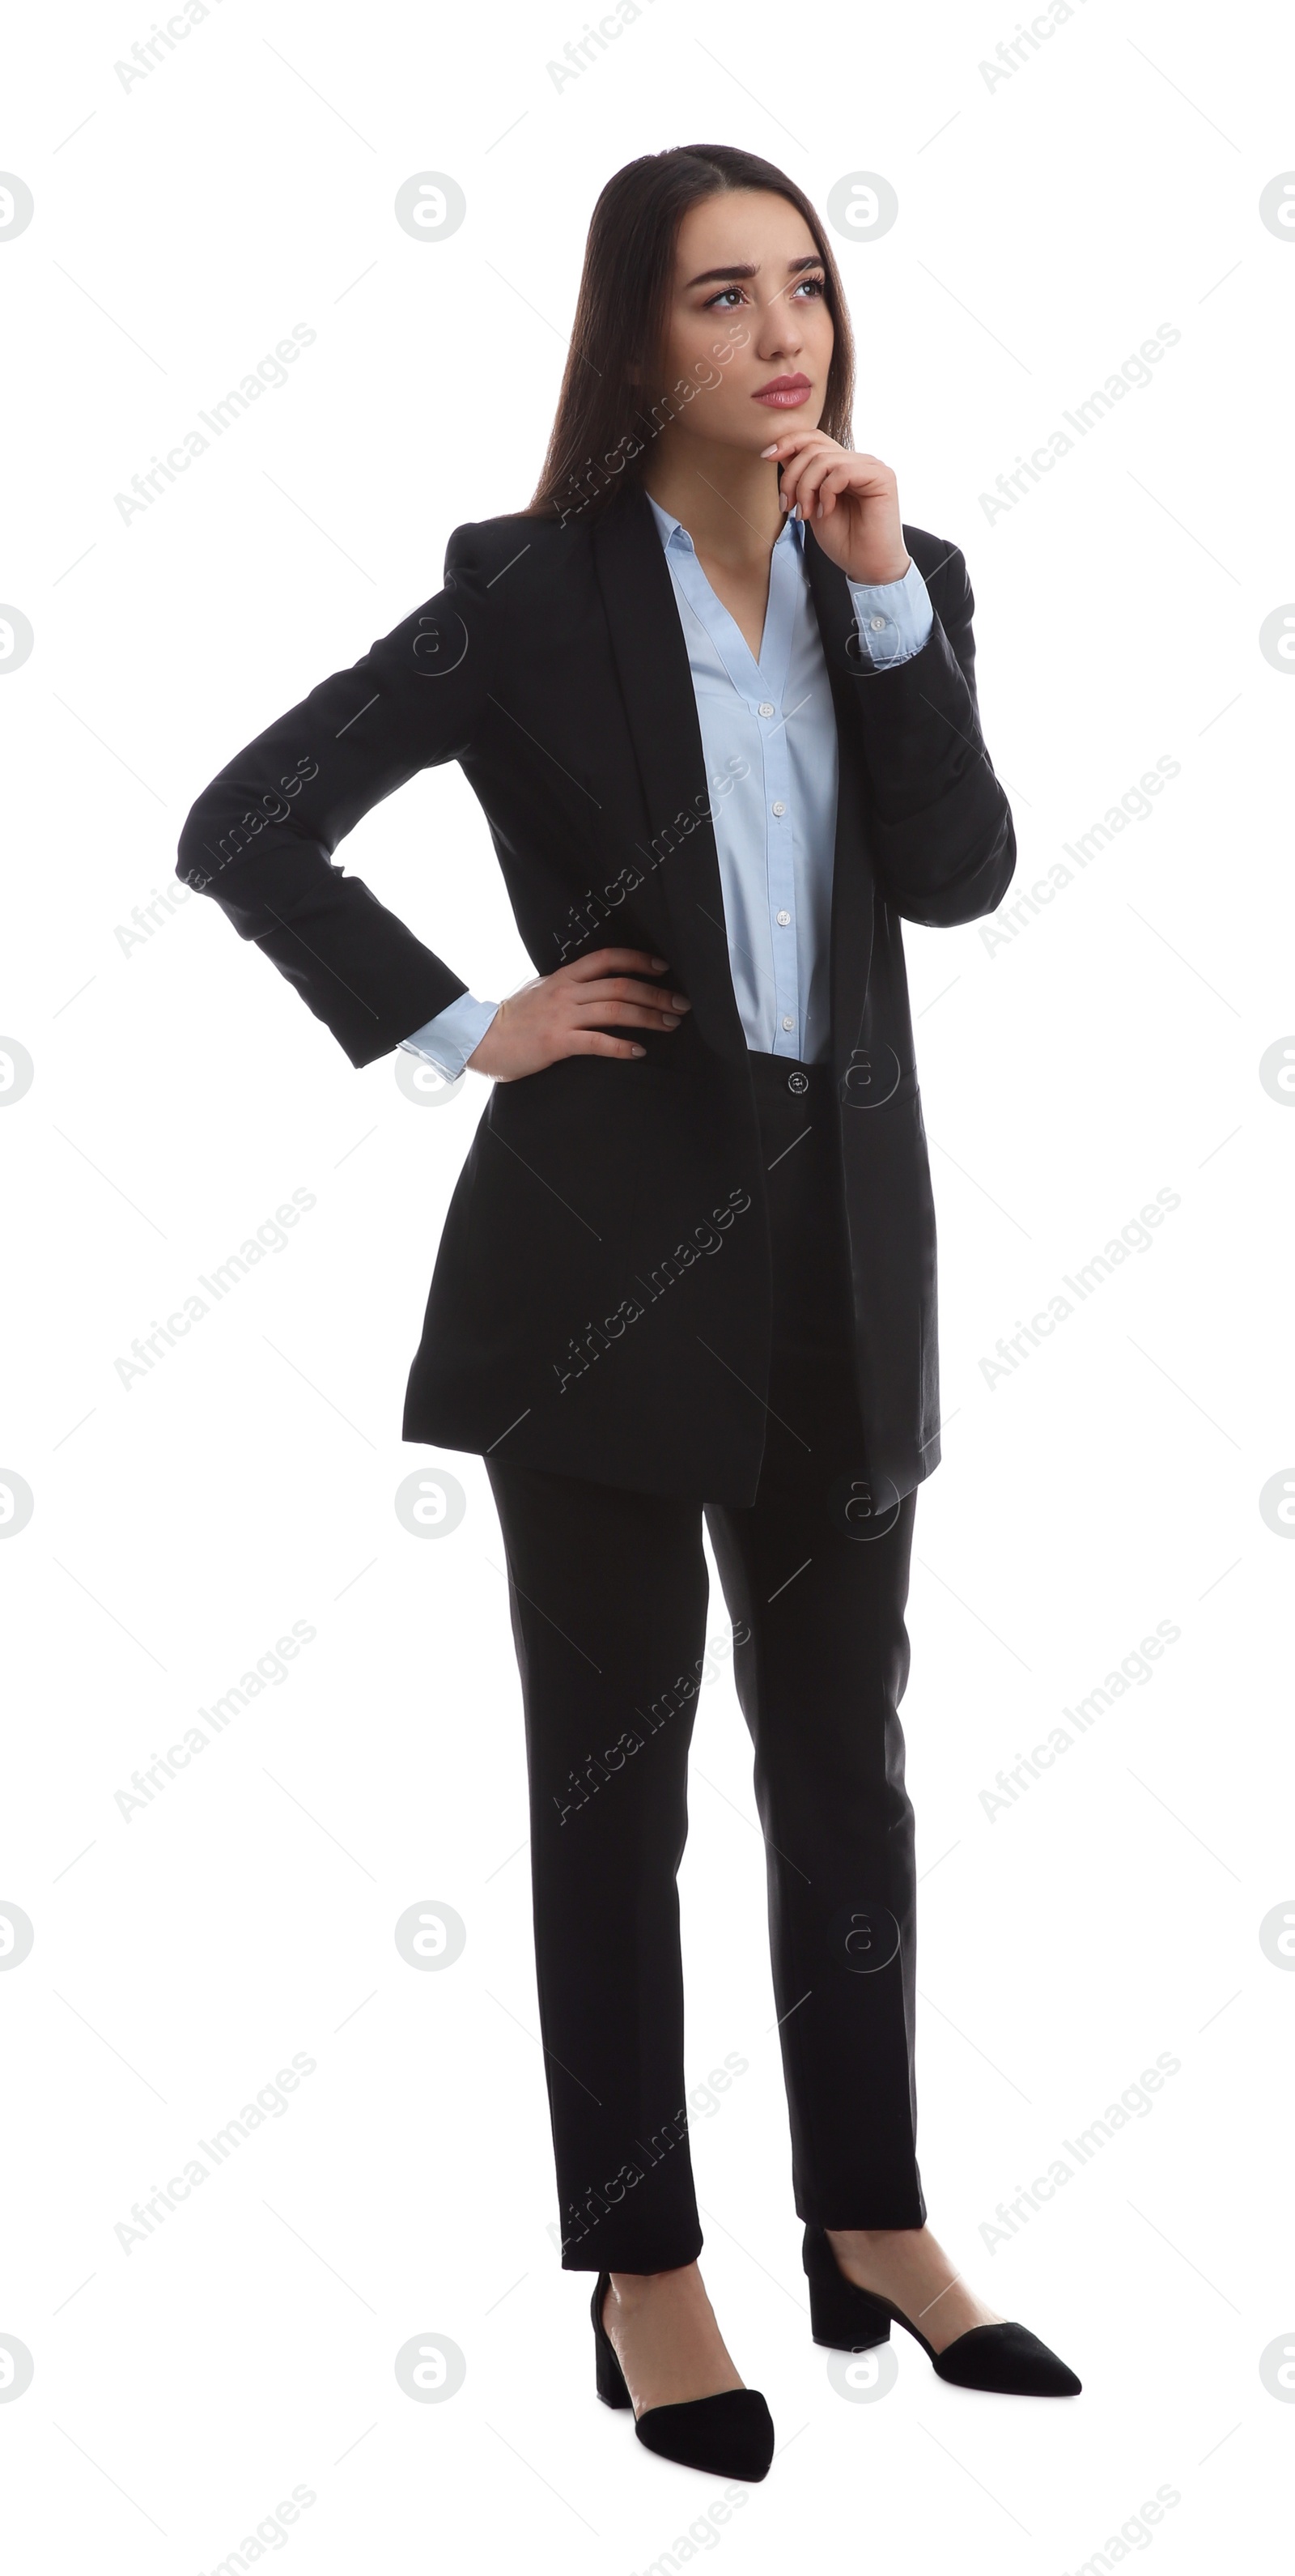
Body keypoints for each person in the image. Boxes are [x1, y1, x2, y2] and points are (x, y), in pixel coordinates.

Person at [177, 142, 1080, 2485]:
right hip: (596, 1270)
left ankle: (869, 2220)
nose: (783, 334)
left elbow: (961, 881)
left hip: (842, 1256)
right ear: (634, 334)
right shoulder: (525, 594)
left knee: (845, 1768)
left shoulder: (905, 572)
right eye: (722, 296)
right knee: (619, 1798)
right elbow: (249, 819)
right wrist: (459, 1018)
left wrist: (884, 602)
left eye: (806, 286)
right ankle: (644, 2264)